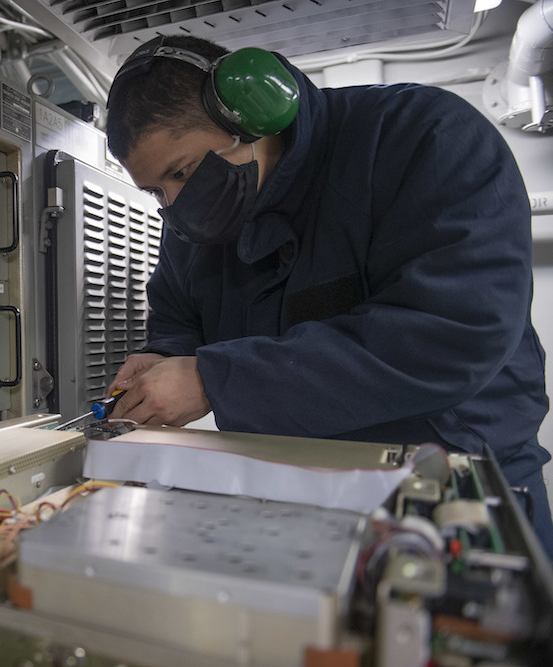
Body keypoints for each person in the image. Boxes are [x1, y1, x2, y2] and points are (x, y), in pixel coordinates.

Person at [103, 34, 553, 560]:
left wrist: (212, 379)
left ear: (256, 113)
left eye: (180, 173)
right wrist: (163, 358)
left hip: (447, 487)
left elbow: (450, 335)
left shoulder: (419, 136)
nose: (175, 207)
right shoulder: (192, 224)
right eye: (157, 192)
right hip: (285, 490)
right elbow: (180, 317)